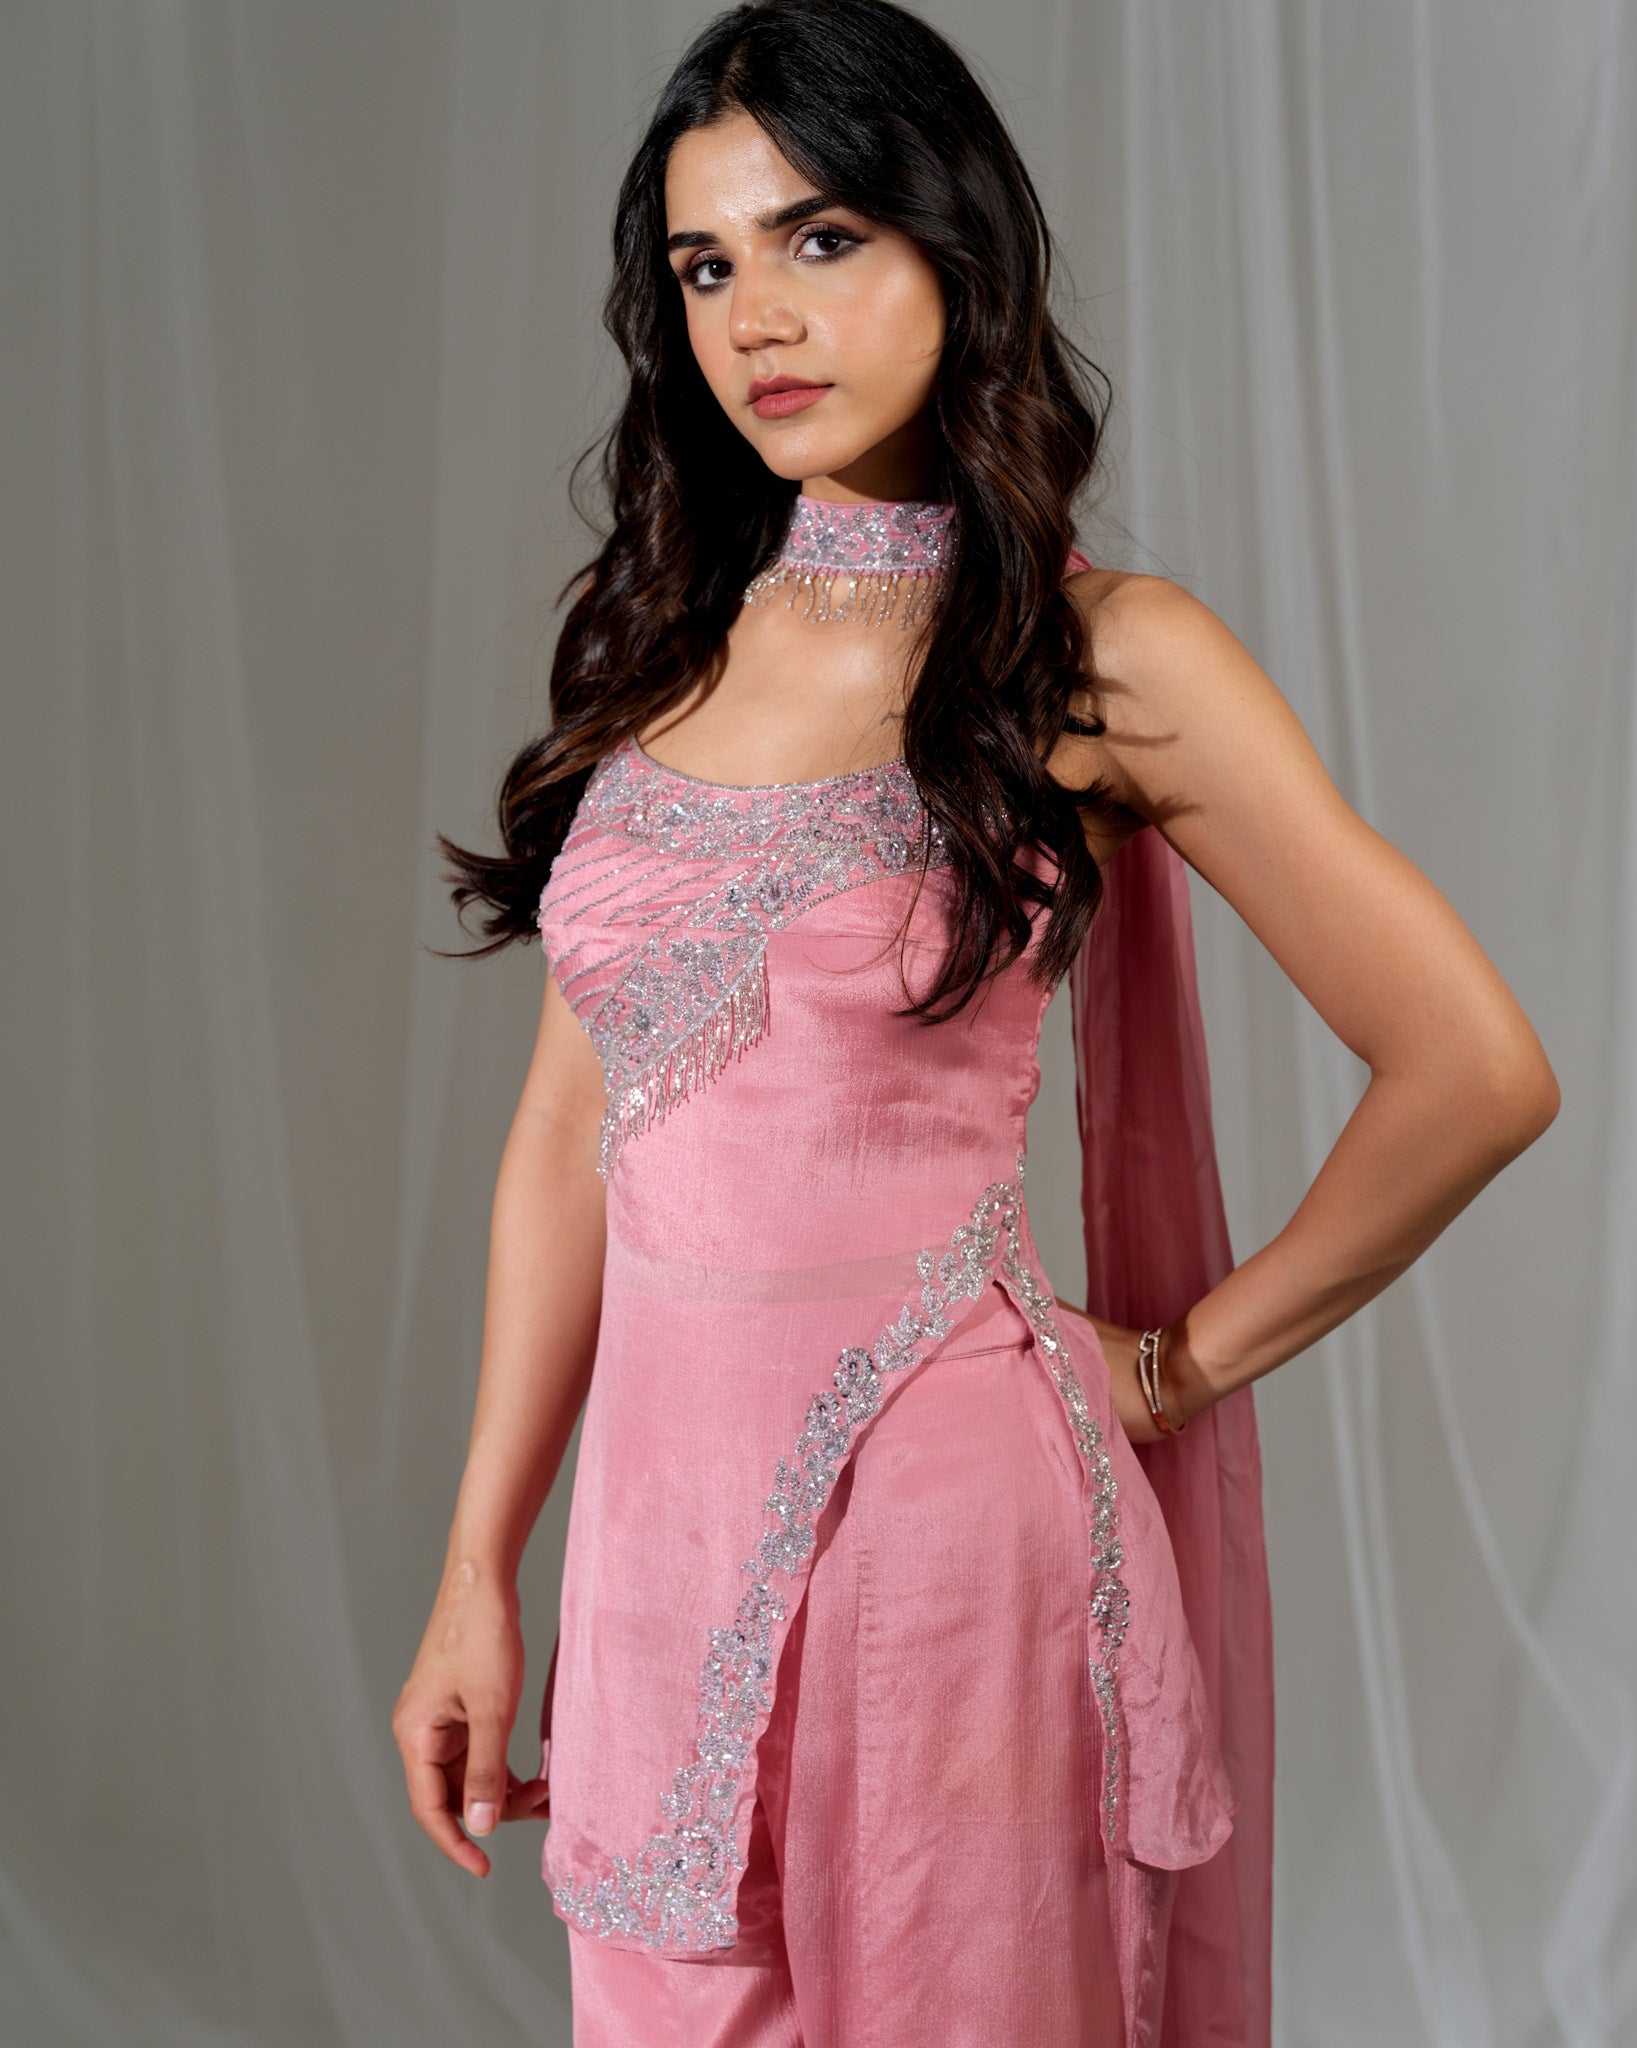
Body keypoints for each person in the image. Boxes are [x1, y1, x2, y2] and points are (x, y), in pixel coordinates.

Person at [391, 2, 1560, 2041]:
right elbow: (574, 1132)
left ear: (956, 243)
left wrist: (1174, 1367)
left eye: (821, 237)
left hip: (946, 1549)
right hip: (652, 1559)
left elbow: (1476, 1070)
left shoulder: (1098, 657)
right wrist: (478, 1563)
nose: (759, 315)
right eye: (706, 266)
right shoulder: (664, 643)